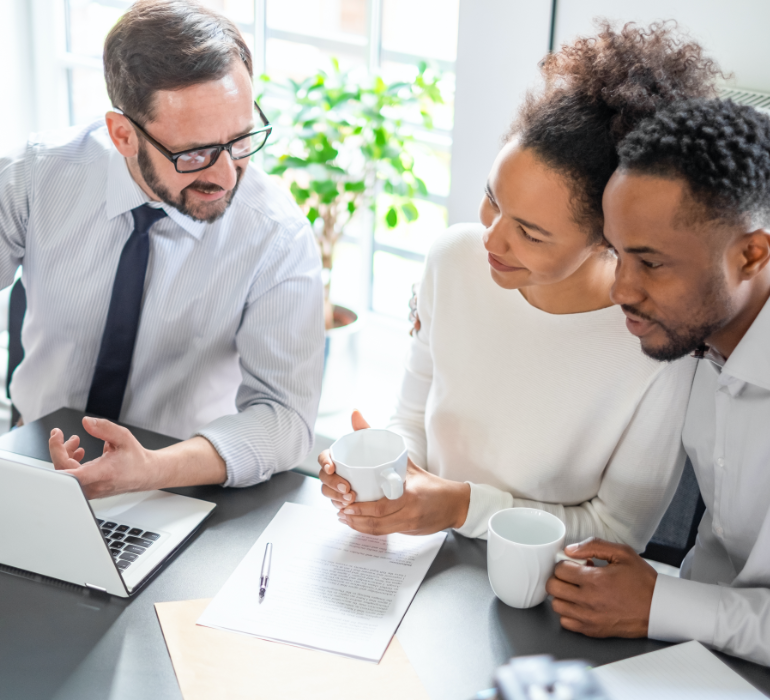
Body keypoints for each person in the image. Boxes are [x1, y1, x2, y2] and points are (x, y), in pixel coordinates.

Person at [0, 0, 324, 541]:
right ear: (123, 134)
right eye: (197, 154)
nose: (227, 174)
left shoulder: (277, 234)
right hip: (32, 462)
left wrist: (153, 469)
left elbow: (283, 417)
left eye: (241, 139)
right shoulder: (36, 177)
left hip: (188, 485)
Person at [318, 23, 720, 547]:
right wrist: (379, 470)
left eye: (529, 233)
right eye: (493, 200)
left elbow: (619, 533)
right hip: (424, 560)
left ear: (610, 239)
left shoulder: (657, 342)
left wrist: (461, 507)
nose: (492, 239)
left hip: (542, 596)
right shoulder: (453, 259)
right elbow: (411, 419)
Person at [547, 99, 770, 667]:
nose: (622, 288)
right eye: (617, 254)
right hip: (688, 653)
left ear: (751, 255)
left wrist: (658, 603)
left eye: (650, 263)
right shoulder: (697, 333)